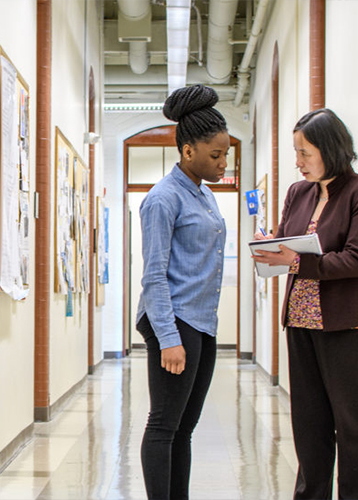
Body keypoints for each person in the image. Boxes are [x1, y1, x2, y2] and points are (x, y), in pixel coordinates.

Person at [251, 108, 358, 500]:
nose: (298, 162)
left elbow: (357, 260)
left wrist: (294, 260)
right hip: (301, 324)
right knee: (309, 425)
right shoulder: (298, 193)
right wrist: (270, 244)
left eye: (305, 152)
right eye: (296, 152)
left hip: (349, 328)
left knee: (353, 427)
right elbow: (287, 240)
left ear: (329, 148)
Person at [135, 84, 230, 500]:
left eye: (226, 154)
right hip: (174, 321)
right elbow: (154, 277)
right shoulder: (163, 199)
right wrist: (169, 339)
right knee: (164, 425)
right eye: (216, 155)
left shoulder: (205, 195)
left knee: (185, 428)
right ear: (188, 151)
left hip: (202, 321)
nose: (223, 162)